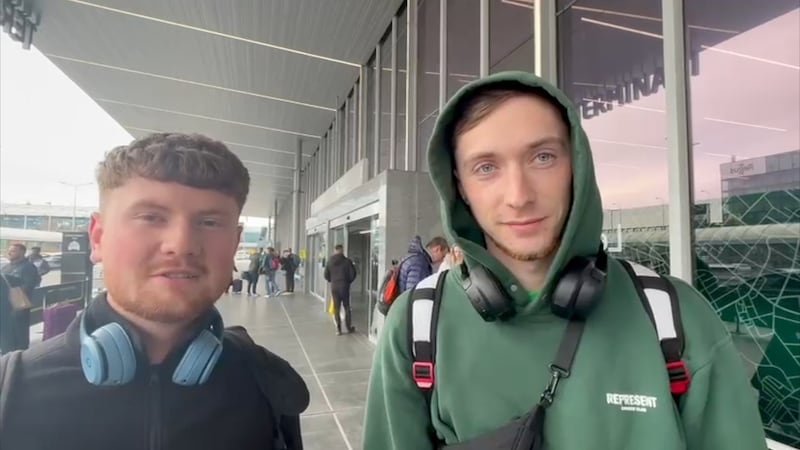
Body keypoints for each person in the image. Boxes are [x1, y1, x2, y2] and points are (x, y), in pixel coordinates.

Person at [363, 72, 767, 449]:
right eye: (486, 168)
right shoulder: (417, 329)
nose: (519, 195)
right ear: (460, 187)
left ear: (577, 166)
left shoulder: (676, 320)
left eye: (542, 157)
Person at [0, 133, 309, 450]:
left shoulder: (267, 383)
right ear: (97, 237)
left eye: (210, 222)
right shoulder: (10, 393)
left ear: (234, 242)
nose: (181, 245)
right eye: (150, 217)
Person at [323, 244, 357, 336]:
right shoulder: (347, 261)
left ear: (335, 250)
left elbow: (326, 275)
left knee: (336, 308)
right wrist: (348, 281)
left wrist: (332, 280)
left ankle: (338, 329)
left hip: (334, 286)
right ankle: (348, 327)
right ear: (342, 250)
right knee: (346, 307)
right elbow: (353, 274)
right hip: (344, 286)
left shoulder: (330, 261)